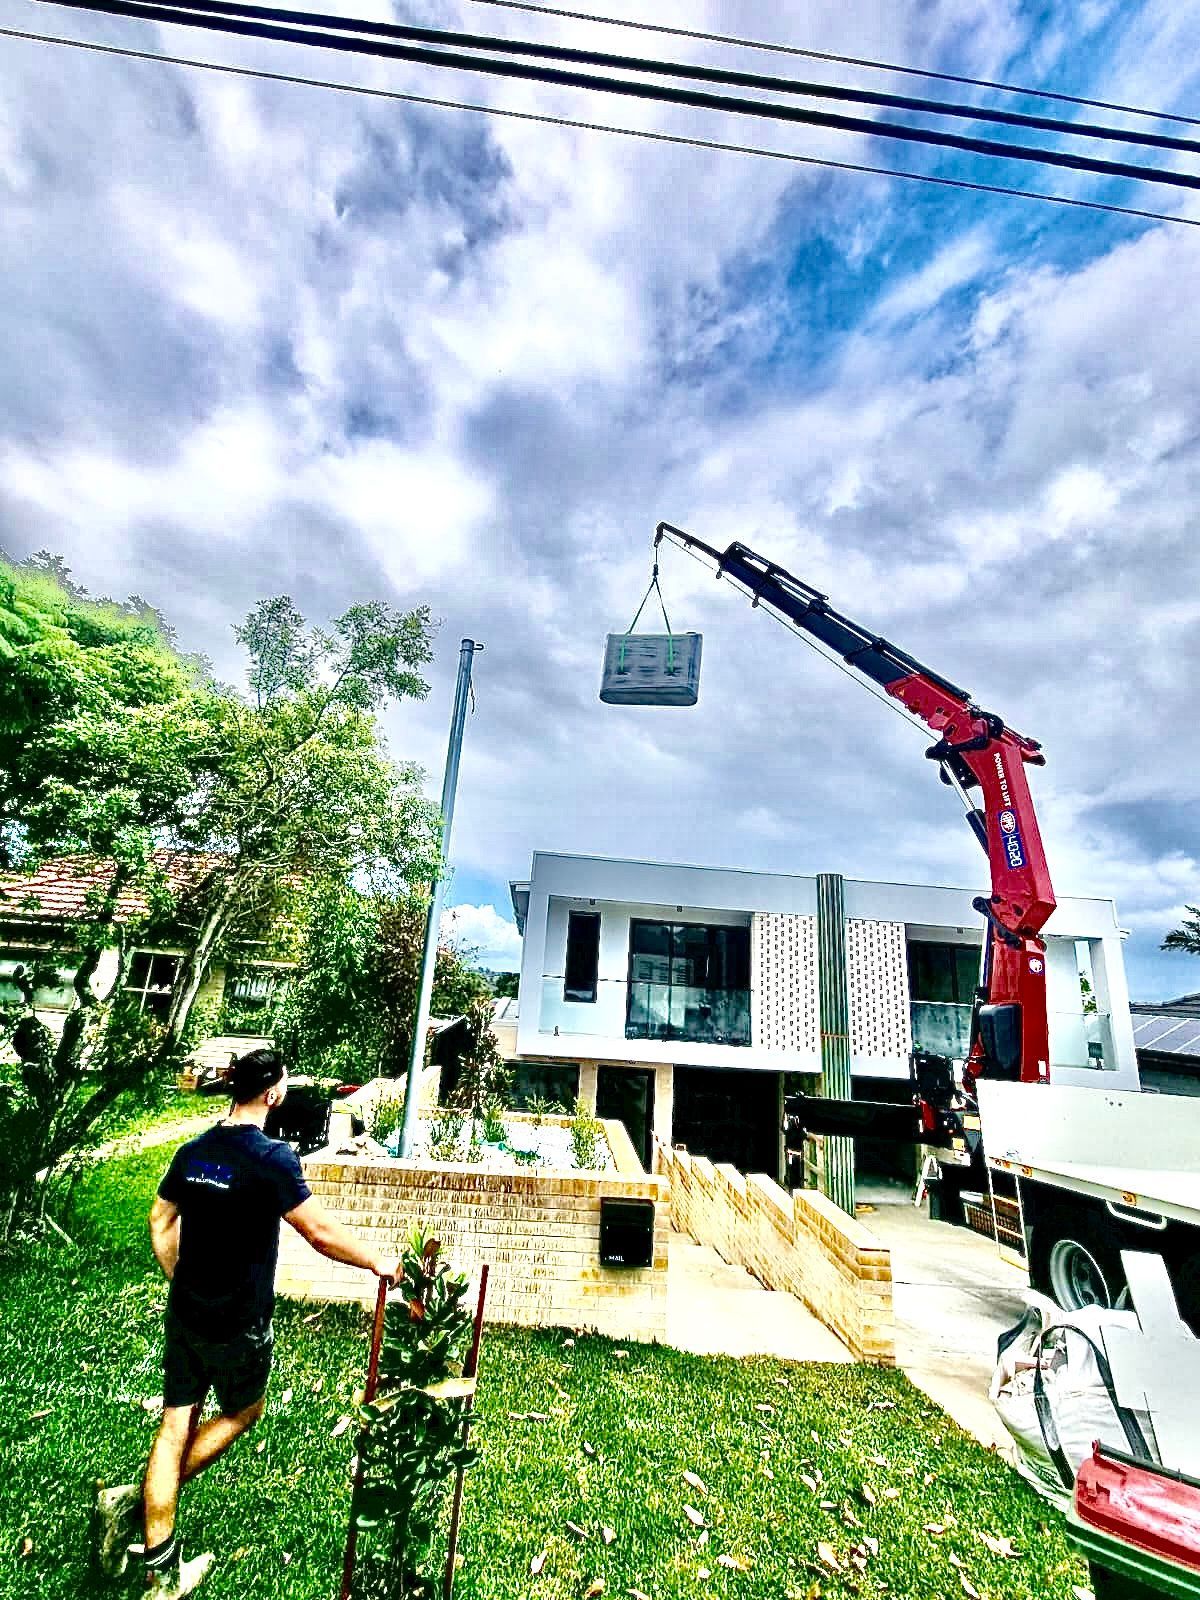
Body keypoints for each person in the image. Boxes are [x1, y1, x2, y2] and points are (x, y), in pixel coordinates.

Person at [93, 1048, 398, 1597]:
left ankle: (153, 1557)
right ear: (273, 1094)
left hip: (187, 1310)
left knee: (174, 1425)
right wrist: (379, 1261)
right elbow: (320, 1234)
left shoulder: (194, 1151)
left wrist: (180, 1279)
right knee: (244, 1410)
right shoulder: (273, 1158)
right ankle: (142, 1517)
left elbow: (161, 1219)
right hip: (240, 1320)